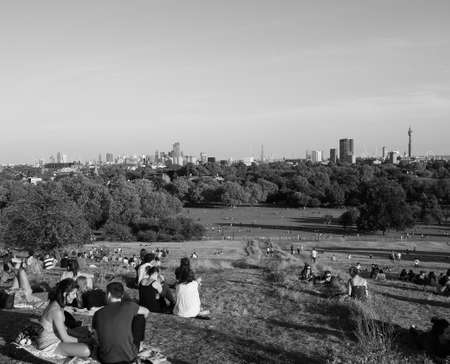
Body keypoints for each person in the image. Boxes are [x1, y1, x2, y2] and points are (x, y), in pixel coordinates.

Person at [92, 282, 149, 364]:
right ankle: (139, 347)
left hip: (105, 359)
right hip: (129, 357)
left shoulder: (98, 313)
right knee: (140, 317)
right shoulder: (130, 306)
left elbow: (96, 338)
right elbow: (146, 311)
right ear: (122, 295)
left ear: (108, 295)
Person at [36, 279, 90, 358]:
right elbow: (65, 338)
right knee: (86, 350)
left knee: (86, 329)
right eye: (73, 293)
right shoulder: (57, 311)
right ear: (65, 294)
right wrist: (84, 340)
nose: (75, 296)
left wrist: (81, 336)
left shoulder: (57, 304)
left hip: (56, 336)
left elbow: (65, 329)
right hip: (49, 344)